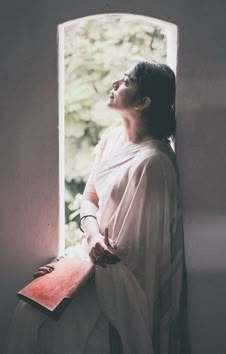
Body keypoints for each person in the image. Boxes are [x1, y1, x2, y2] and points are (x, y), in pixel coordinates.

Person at [6, 60, 189, 354]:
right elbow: (89, 198)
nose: (115, 83)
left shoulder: (154, 162)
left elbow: (142, 257)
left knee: (57, 326)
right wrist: (87, 243)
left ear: (143, 102)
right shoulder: (111, 138)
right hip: (93, 256)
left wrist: (82, 268)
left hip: (119, 279)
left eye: (126, 81)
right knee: (28, 313)